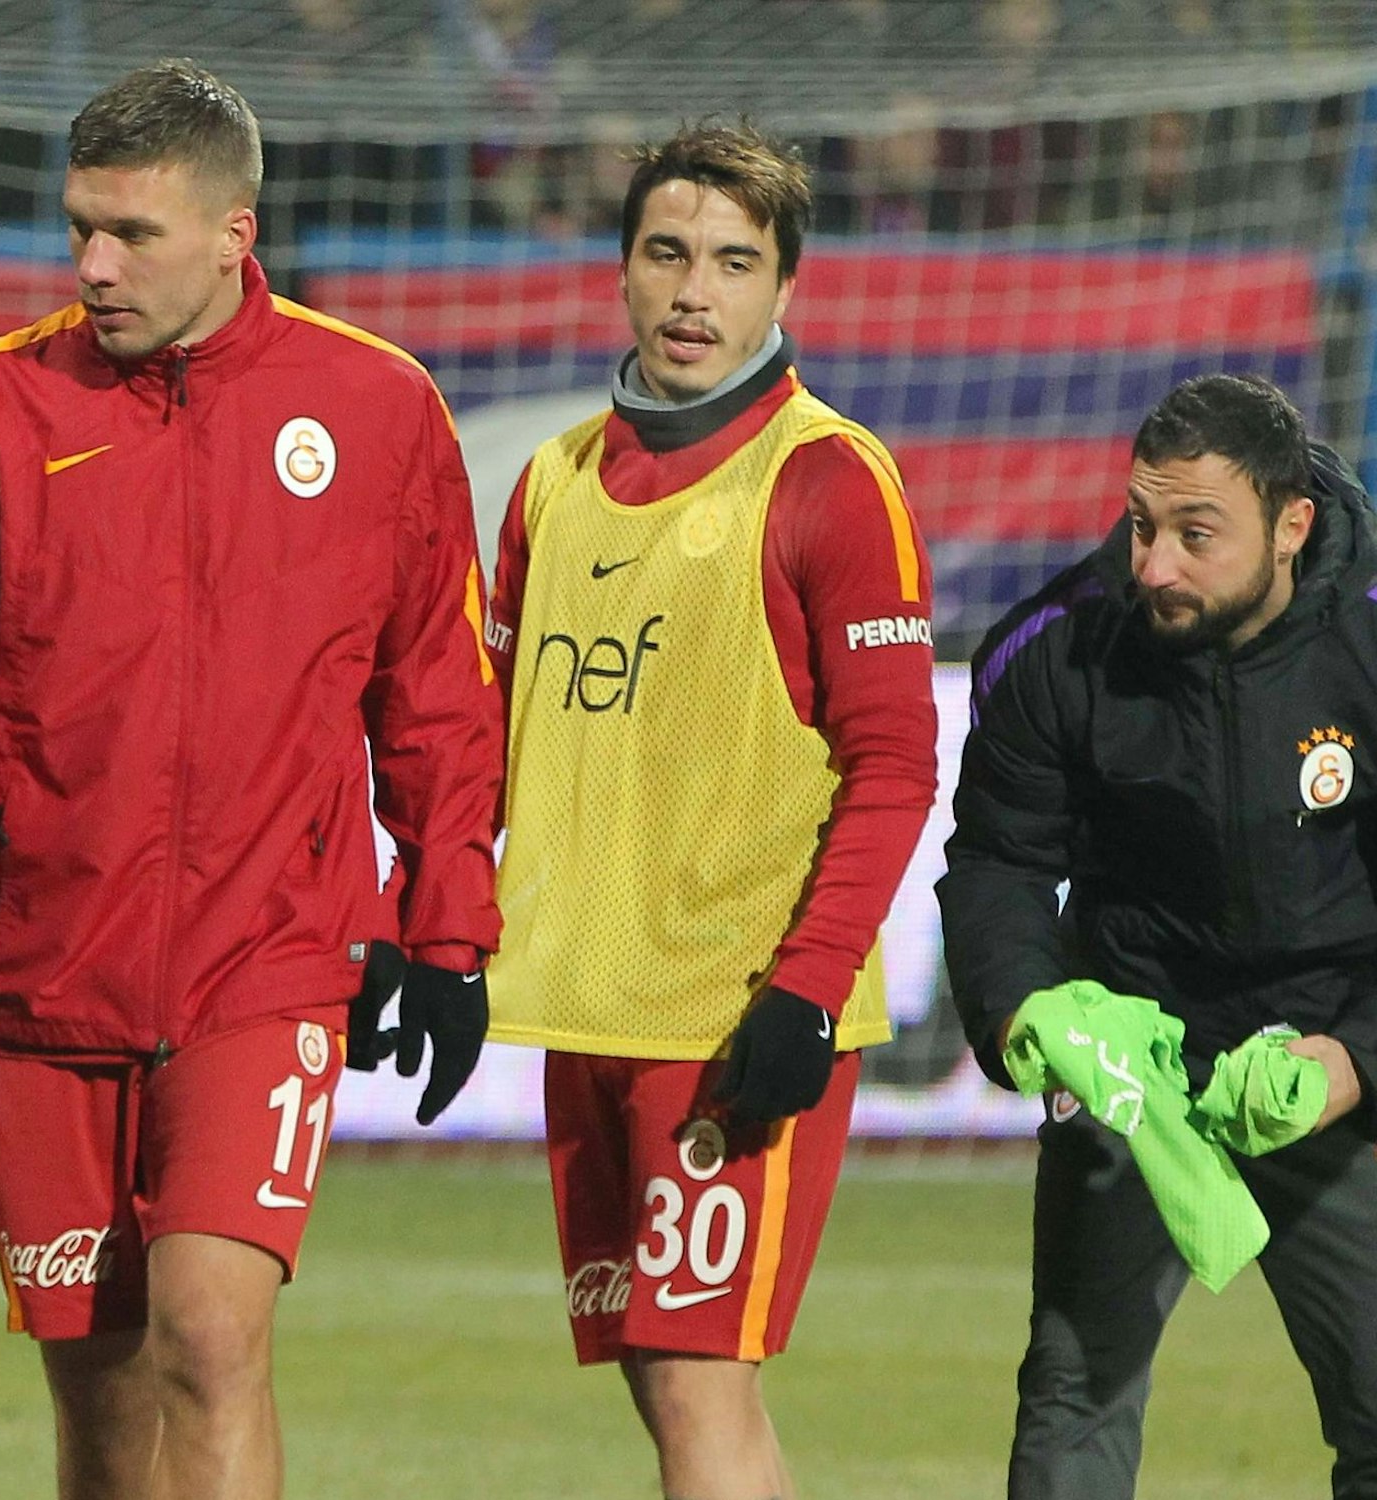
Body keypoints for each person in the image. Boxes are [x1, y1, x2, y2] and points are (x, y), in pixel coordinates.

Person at [0, 60, 502, 1500]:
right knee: (102, 1394)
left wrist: (446, 928)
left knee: (210, 1334)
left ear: (232, 235)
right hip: (43, 972)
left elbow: (439, 701)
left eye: (131, 234)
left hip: (266, 962)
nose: (93, 265)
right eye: (80, 227)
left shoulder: (377, 409)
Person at [484, 120, 938, 1500]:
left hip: (737, 1012)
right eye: (669, 253)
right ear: (620, 269)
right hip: (591, 1006)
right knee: (664, 1374)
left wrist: (804, 992)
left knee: (694, 1383)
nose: (696, 292)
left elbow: (897, 766)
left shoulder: (828, 480)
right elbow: (491, 746)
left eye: (735, 263)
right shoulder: (552, 483)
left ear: (785, 289)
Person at [938, 373, 1377, 1499]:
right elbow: (994, 863)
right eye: (1139, 524)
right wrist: (1027, 1008)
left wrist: (1353, 1059)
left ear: (1290, 526)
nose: (1151, 565)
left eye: (1194, 533)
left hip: (1322, 1055)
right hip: (1135, 1056)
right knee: (1072, 1398)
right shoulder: (1051, 649)